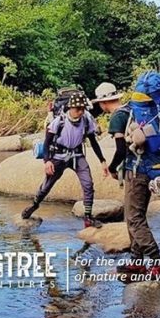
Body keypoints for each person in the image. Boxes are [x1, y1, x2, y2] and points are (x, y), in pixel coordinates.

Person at [102, 73, 160, 281]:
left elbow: (120, 150)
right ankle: (136, 262)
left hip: (137, 171)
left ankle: (157, 263)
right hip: (157, 169)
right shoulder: (153, 110)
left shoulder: (120, 115)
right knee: (138, 216)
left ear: (102, 103)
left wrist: (111, 169)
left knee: (134, 219)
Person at [21, 91, 108, 228]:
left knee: (88, 185)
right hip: (58, 157)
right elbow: (47, 142)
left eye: (82, 109)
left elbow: (93, 141)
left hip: (77, 156)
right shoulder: (59, 121)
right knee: (47, 185)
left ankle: (88, 218)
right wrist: (47, 161)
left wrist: (102, 161)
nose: (80, 112)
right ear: (70, 108)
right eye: (77, 109)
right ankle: (34, 205)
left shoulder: (86, 120)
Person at [90, 82, 128, 180]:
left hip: (136, 166)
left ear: (104, 102)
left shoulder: (117, 117)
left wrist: (112, 167)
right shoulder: (129, 109)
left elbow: (121, 150)